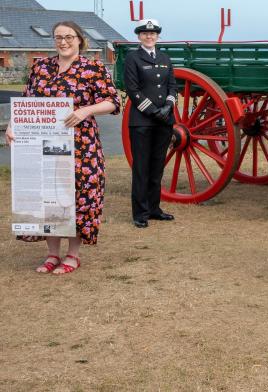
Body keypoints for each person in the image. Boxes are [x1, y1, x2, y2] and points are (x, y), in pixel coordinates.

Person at [4, 21, 120, 274]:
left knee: (77, 198)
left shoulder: (93, 67)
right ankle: (51, 254)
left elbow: (112, 101)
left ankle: (72, 255)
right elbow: (27, 101)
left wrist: (85, 110)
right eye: (58, 37)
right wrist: (12, 125)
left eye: (68, 37)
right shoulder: (41, 66)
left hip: (81, 146)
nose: (63, 42)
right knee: (48, 197)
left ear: (80, 39)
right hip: (42, 143)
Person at [124, 18, 178, 229]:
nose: (149, 36)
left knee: (157, 167)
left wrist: (167, 107)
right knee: (141, 168)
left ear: (157, 36)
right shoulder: (133, 58)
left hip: (164, 121)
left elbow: (172, 86)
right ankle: (140, 213)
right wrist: (154, 111)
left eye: (153, 33)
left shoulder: (165, 57)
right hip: (142, 122)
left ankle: (154, 209)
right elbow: (133, 89)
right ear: (139, 36)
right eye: (145, 33)